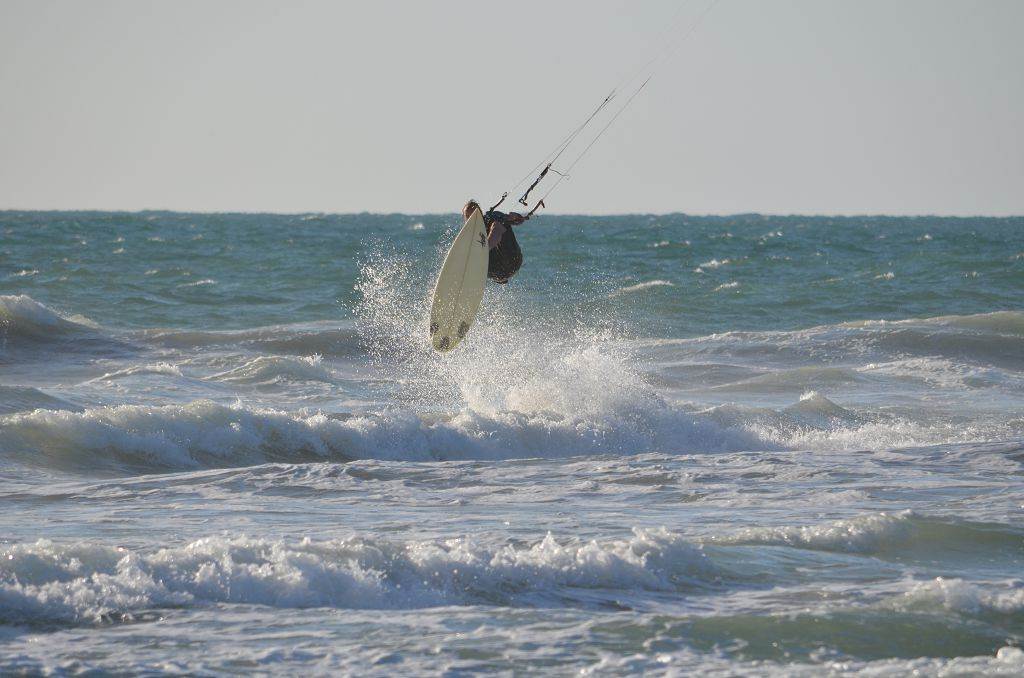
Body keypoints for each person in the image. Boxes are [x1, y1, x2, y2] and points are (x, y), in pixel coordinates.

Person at [463, 200, 525, 284]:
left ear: (480, 213)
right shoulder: (470, 235)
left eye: (474, 214)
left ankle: (485, 249)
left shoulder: (492, 217)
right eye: (468, 216)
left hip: (512, 261)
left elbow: (517, 220)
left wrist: (515, 217)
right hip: (495, 272)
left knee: (497, 224)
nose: (471, 218)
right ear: (465, 219)